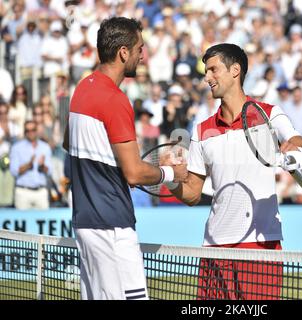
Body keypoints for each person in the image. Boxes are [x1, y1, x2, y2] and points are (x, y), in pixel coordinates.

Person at [165, 43, 302, 299]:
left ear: (235, 70)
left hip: (259, 244)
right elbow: (192, 194)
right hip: (214, 247)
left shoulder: (269, 114)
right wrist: (166, 177)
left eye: (213, 70)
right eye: (206, 71)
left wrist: (296, 153)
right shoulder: (201, 130)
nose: (207, 77)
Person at [62, 17, 188, 300]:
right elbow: (134, 173)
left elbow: (69, 142)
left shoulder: (82, 88)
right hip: (112, 226)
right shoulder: (115, 99)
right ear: (123, 52)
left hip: (86, 223)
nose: (142, 55)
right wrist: (170, 173)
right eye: (139, 48)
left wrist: (108, 164)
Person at [9, 120, 52, 210]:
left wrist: (42, 166)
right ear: (25, 132)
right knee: (22, 222)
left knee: (43, 221)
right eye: (28, 130)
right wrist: (28, 165)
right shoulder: (16, 148)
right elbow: (14, 171)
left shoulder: (45, 147)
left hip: (40, 192)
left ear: (37, 130)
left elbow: (49, 172)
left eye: (33, 130)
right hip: (23, 192)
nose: (30, 132)